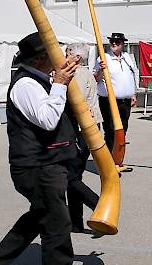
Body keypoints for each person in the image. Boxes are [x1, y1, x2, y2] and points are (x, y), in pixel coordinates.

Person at [0, 33, 78, 265]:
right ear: (41, 58)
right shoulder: (26, 84)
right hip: (37, 167)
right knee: (57, 225)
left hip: (46, 164)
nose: (59, 57)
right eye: (53, 53)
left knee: (39, 217)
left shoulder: (42, 80)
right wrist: (60, 84)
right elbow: (47, 119)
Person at [65, 43, 102, 234]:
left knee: (70, 178)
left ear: (77, 58)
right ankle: (75, 222)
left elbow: (73, 101)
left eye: (68, 53)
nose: (64, 56)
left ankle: (100, 206)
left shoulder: (78, 75)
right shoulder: (85, 73)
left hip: (81, 130)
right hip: (84, 129)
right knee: (74, 176)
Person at [93, 32, 138, 148]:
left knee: (123, 129)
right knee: (111, 131)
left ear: (122, 44)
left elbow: (131, 76)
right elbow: (95, 79)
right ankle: (111, 160)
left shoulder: (127, 57)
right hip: (109, 101)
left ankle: (118, 157)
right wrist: (101, 70)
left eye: (117, 42)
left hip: (125, 101)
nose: (114, 44)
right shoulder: (103, 58)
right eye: (112, 42)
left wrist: (133, 94)